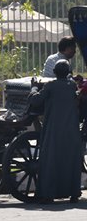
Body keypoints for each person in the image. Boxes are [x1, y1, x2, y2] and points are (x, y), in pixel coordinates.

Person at [29, 59, 82, 203]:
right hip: (71, 130)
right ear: (68, 72)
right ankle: (73, 193)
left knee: (50, 160)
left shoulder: (51, 86)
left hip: (54, 130)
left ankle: (49, 194)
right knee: (71, 160)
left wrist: (33, 88)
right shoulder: (71, 86)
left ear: (54, 72)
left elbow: (36, 101)